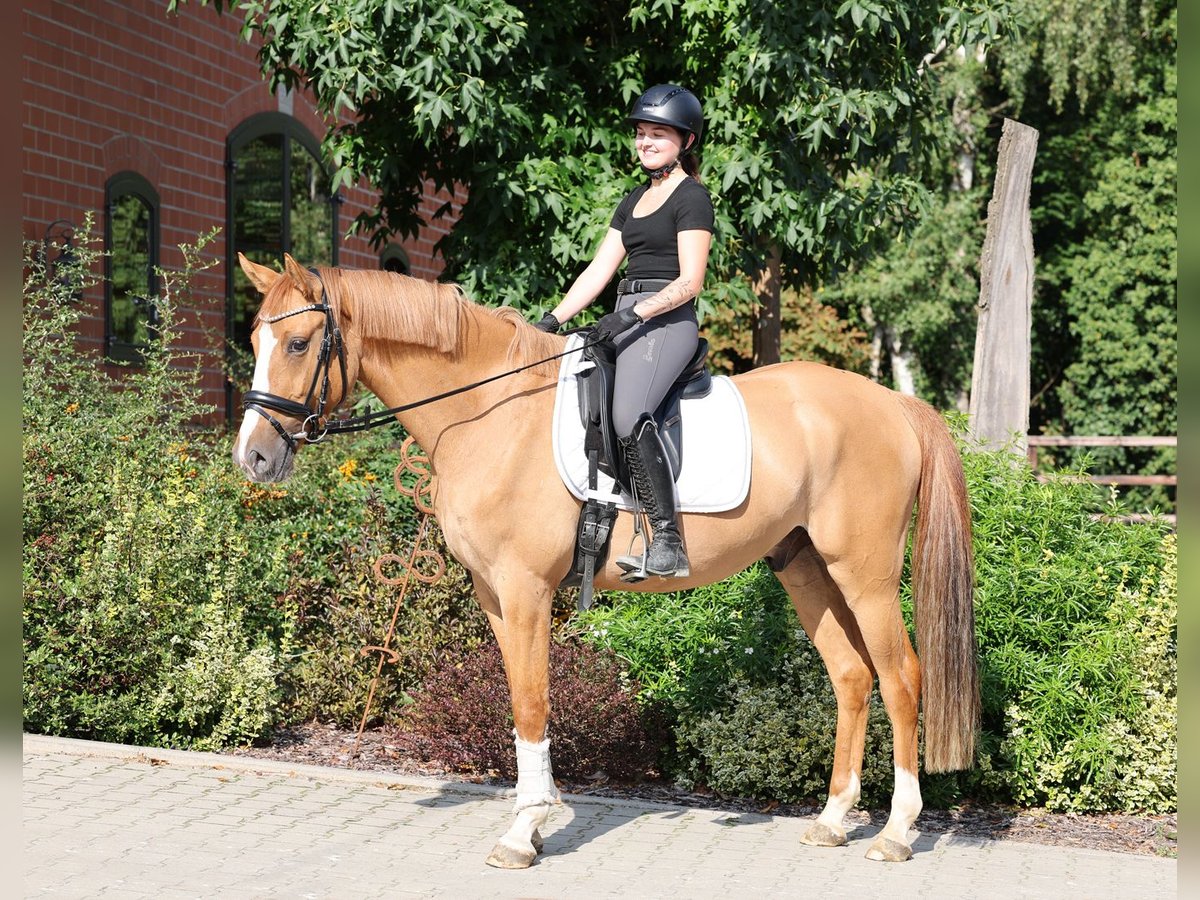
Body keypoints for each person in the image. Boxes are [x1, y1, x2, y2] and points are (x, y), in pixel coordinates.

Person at [534, 84, 714, 579]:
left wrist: (635, 315)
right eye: (641, 133)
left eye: (658, 134)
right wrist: (552, 322)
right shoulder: (634, 198)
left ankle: (668, 540)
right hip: (625, 315)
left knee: (629, 413)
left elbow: (690, 280)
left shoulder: (692, 198)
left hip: (667, 321)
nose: (646, 142)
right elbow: (598, 271)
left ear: (686, 141)